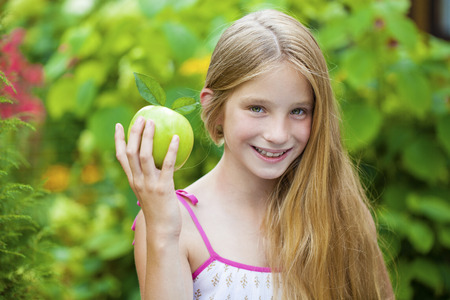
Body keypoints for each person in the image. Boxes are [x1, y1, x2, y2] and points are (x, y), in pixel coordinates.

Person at [114, 9, 394, 300]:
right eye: (257, 108)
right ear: (215, 108)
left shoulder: (339, 211)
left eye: (298, 111)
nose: (278, 134)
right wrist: (163, 231)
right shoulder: (172, 223)